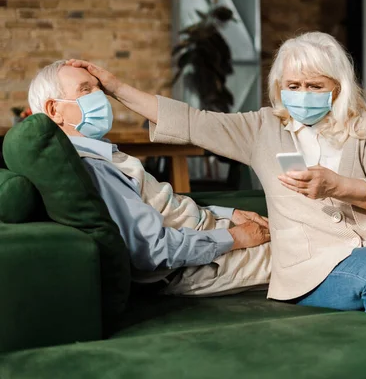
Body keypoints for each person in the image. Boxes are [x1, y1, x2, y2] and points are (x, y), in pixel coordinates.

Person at [66, 31, 366, 343]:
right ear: (279, 86)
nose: (302, 95)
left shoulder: (365, 126)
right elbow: (189, 120)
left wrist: (339, 185)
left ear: (337, 87)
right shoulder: (261, 129)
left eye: (314, 86)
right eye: (293, 85)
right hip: (312, 264)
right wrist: (116, 88)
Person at [27, 60, 272, 296]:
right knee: (305, 257)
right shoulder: (93, 167)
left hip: (208, 233)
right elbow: (153, 248)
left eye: (99, 88)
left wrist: (224, 214)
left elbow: (158, 208)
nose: (100, 96)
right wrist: (235, 237)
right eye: (86, 89)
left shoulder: (101, 154)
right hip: (200, 262)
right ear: (53, 110)